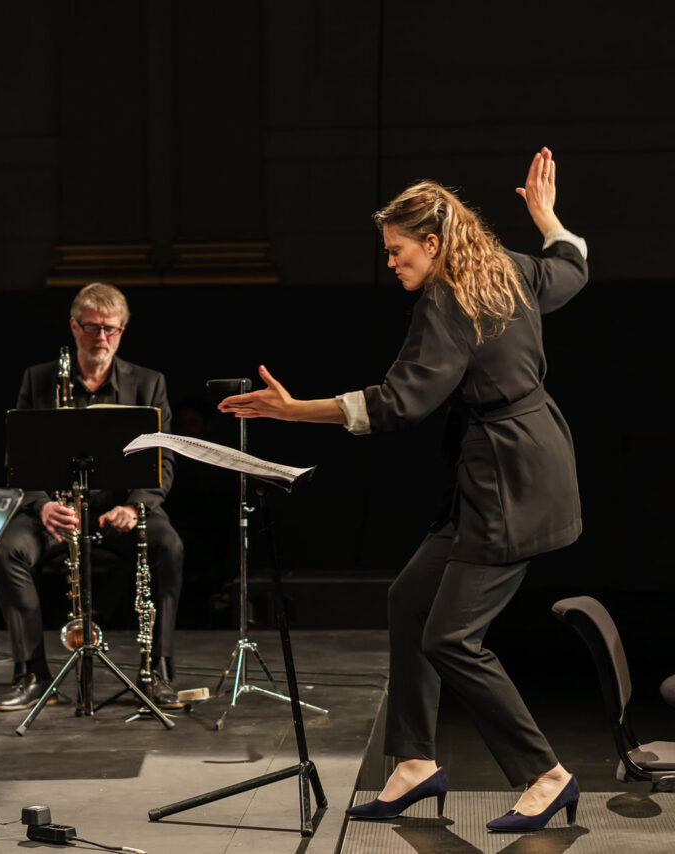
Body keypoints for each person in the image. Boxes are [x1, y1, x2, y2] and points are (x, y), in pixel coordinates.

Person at [218, 148, 586, 832]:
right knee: (411, 598)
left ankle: (546, 774)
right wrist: (547, 217)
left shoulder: (450, 300)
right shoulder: (508, 270)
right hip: (519, 465)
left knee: (452, 638)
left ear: (433, 243)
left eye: (396, 251)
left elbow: (399, 404)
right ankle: (415, 762)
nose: (389, 263)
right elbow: (570, 268)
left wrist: (293, 410)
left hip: (509, 482)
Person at [0, 282, 185, 711]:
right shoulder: (38, 380)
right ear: (73, 327)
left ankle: (158, 672)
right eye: (92, 327)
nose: (101, 338)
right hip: (57, 511)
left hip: (119, 511)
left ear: (123, 330)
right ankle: (32, 674)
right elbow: (18, 459)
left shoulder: (149, 384)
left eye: (111, 329)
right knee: (6, 550)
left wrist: (135, 507)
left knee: (169, 546)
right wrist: (41, 506)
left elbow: (162, 462)